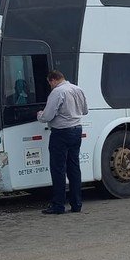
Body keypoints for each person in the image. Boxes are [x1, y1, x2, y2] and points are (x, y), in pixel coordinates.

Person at [37, 70, 88, 214]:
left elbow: (47, 116)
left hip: (61, 133)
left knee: (58, 169)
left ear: (53, 80)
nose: (50, 86)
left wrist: (39, 115)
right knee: (74, 168)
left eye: (50, 83)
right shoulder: (78, 89)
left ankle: (58, 205)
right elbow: (85, 111)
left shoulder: (57, 92)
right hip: (77, 130)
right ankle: (76, 204)